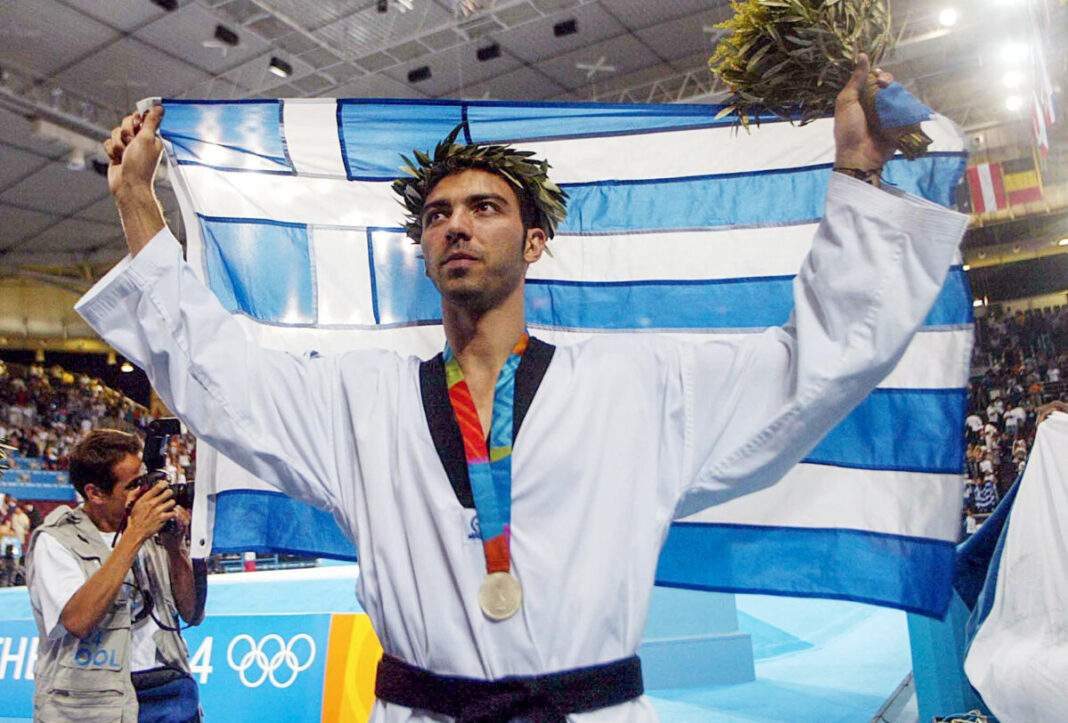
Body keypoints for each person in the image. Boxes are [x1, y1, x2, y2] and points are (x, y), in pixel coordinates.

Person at [81, 56, 967, 720]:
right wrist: (139, 208)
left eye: (484, 208)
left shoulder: (634, 386)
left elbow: (809, 367)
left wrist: (856, 172)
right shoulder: (359, 401)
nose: (455, 225)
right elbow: (225, 377)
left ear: (535, 241)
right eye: (437, 215)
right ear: (422, 250)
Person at [24, 430, 202, 722]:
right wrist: (135, 534)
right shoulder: (56, 540)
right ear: (95, 493)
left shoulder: (152, 528)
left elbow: (192, 613)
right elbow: (78, 621)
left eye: (144, 481)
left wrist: (175, 548)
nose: (144, 494)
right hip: (92, 703)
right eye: (133, 486)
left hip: (167, 690)